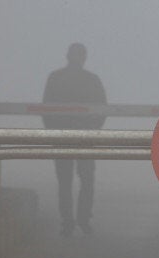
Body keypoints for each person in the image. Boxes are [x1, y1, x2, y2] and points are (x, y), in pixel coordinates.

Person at [42, 43, 107, 237]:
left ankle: (68, 222)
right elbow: (102, 109)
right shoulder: (92, 80)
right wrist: (93, 131)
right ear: (84, 57)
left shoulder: (56, 78)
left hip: (64, 136)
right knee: (85, 180)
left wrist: (53, 131)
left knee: (66, 181)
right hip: (84, 137)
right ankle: (83, 220)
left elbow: (46, 109)